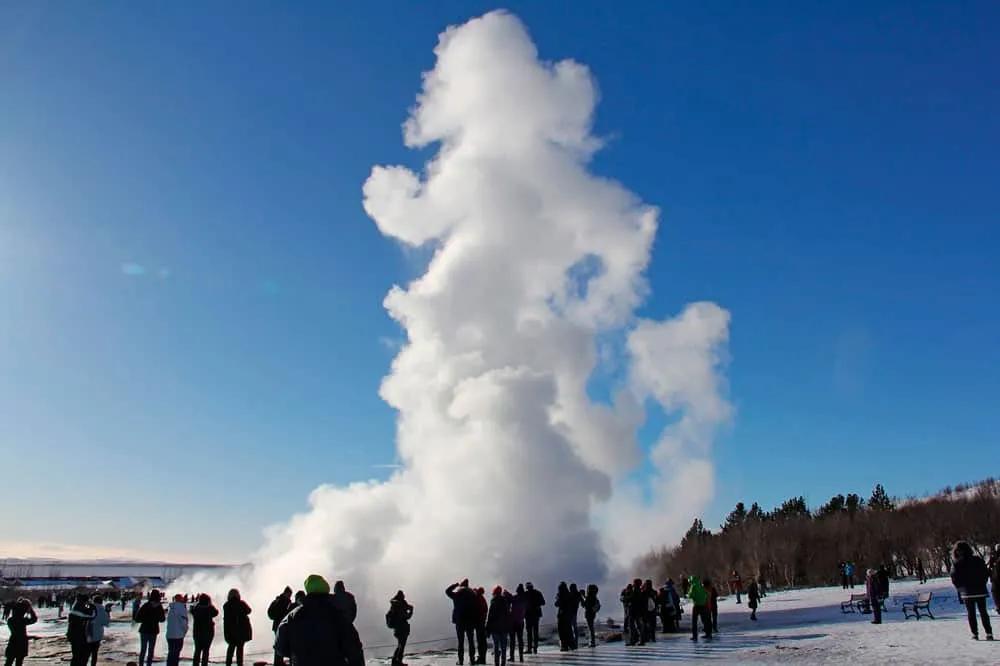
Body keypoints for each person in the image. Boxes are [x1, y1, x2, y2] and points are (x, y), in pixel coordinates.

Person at [275, 574, 365, 666]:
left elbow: (280, 648)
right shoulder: (338, 616)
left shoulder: (292, 617)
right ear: (326, 590)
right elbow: (354, 649)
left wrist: (297, 654)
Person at [951, 541, 994, 640]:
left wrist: (961, 588)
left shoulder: (957, 563)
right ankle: (989, 633)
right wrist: (982, 583)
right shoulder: (977, 560)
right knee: (983, 612)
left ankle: (975, 634)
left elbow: (954, 578)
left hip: (967, 592)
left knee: (971, 613)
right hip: (980, 590)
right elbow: (985, 573)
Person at [445, 579, 477, 666]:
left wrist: (455, 585)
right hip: (470, 621)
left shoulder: (457, 594)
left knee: (461, 642)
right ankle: (472, 660)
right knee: (471, 641)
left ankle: (461, 661)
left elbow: (447, 591)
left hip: (460, 621)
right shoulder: (473, 594)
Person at [135, 590, 166, 666]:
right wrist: (156, 618)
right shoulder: (159, 607)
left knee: (143, 649)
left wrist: (145, 619)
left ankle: (141, 664)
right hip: (153, 630)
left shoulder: (146, 605)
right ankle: (149, 664)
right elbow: (162, 619)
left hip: (144, 629)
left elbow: (137, 618)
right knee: (151, 650)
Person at [4, 598, 38, 666]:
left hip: (13, 642)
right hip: (21, 643)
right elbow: (34, 619)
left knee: (9, 662)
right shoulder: (22, 620)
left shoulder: (11, 620)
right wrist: (30, 609)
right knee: (19, 663)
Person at [222, 589, 252, 666]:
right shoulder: (242, 603)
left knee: (231, 649)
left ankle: (228, 664)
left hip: (230, 632)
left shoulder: (226, 605)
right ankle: (240, 664)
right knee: (240, 650)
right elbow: (249, 610)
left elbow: (226, 620)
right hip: (241, 631)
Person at [190, 593, 219, 666]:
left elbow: (192, 611)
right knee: (206, 651)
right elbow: (216, 613)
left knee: (197, 650)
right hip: (208, 632)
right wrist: (211, 605)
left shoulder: (196, 608)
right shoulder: (210, 608)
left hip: (197, 632)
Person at [268, 587, 294, 666]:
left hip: (277, 626)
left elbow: (270, 613)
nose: (290, 596)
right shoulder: (285, 602)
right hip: (283, 626)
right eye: (289, 594)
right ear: (286, 593)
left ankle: (278, 662)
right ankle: (279, 662)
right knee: (283, 644)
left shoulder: (277, 601)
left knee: (279, 644)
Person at [68, 593, 96, 666]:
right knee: (81, 656)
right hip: (79, 636)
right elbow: (91, 615)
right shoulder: (80, 608)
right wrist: (92, 607)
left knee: (76, 656)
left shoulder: (76, 606)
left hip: (74, 635)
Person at [386, 590, 413, 666]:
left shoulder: (394, 604)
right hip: (402, 628)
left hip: (397, 628)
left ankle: (395, 661)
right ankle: (398, 662)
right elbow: (405, 616)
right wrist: (411, 611)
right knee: (401, 646)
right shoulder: (400, 605)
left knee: (400, 645)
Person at [486, 587, 510, 666]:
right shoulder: (505, 602)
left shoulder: (493, 602)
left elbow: (490, 616)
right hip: (504, 628)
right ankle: (503, 663)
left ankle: (496, 663)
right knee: (503, 647)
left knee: (496, 646)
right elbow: (508, 615)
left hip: (495, 628)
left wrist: (487, 629)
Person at [166, 594, 189, 666]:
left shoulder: (171, 608)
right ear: (180, 599)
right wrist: (185, 631)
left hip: (170, 635)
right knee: (176, 654)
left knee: (171, 653)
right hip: (178, 635)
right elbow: (184, 622)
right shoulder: (181, 608)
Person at [686, 576, 712, 641]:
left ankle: (695, 636)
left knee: (694, 621)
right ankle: (708, 634)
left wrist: (688, 595)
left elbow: (690, 595)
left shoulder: (693, 586)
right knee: (705, 620)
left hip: (696, 605)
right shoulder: (701, 585)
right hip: (703, 605)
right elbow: (706, 594)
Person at [88, 595, 110, 666]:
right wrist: (108, 613)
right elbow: (106, 623)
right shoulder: (102, 610)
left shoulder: (88, 608)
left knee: (85, 653)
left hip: (87, 633)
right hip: (97, 635)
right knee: (94, 653)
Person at [523, 582, 544, 655]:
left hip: (529, 616)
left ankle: (529, 648)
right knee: (535, 632)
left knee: (529, 633)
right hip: (535, 615)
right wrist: (537, 604)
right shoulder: (538, 593)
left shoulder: (525, 594)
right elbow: (543, 602)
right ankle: (535, 647)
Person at [508, 584, 527, 662]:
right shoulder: (525, 599)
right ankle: (521, 657)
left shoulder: (515, 598)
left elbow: (509, 599)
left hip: (513, 622)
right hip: (520, 622)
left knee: (512, 640)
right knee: (520, 640)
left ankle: (512, 657)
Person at [554, 582, 574, 652]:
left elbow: (556, 604)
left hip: (562, 615)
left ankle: (564, 646)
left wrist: (558, 598)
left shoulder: (561, 595)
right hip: (568, 615)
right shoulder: (569, 594)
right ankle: (571, 645)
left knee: (561, 631)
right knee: (569, 630)